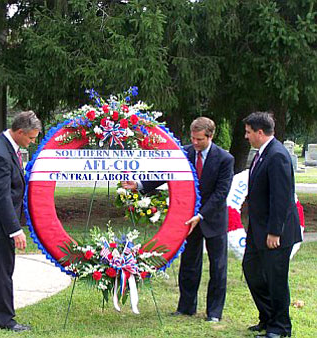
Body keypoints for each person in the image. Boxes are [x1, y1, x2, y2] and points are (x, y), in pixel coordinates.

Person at [123, 116, 234, 322]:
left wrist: (200, 216)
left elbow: (221, 193)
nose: (194, 142)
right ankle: (186, 307)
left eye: (199, 139)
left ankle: (214, 313)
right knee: (189, 263)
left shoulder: (225, 159)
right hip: (188, 219)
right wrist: (138, 184)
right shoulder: (184, 153)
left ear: (210, 136)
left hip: (212, 218)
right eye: (192, 138)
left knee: (218, 267)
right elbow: (165, 174)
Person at [0, 110, 41, 332]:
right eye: (31, 138)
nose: (32, 142)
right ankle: (5, 319)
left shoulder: (5, 146)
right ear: (20, 131)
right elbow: (1, 195)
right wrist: (15, 229)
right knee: (3, 270)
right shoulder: (0, 154)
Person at [242, 112, 302, 338]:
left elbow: (282, 198)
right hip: (257, 230)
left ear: (259, 132)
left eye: (248, 132)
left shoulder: (277, 155)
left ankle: (280, 328)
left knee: (276, 280)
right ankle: (267, 317)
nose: (246, 136)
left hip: (276, 233)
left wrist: (275, 232)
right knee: (252, 271)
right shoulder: (262, 154)